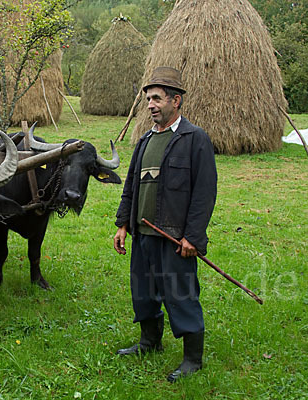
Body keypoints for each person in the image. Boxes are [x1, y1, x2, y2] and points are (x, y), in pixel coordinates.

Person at [113, 66, 217, 382]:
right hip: (143, 233)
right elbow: (131, 184)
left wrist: (193, 237)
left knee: (180, 293)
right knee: (143, 292)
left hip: (174, 237)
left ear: (176, 101)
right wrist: (122, 224)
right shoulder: (145, 140)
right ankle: (149, 342)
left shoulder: (194, 139)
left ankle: (192, 359)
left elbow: (205, 192)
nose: (151, 105)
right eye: (148, 99)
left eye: (157, 99)